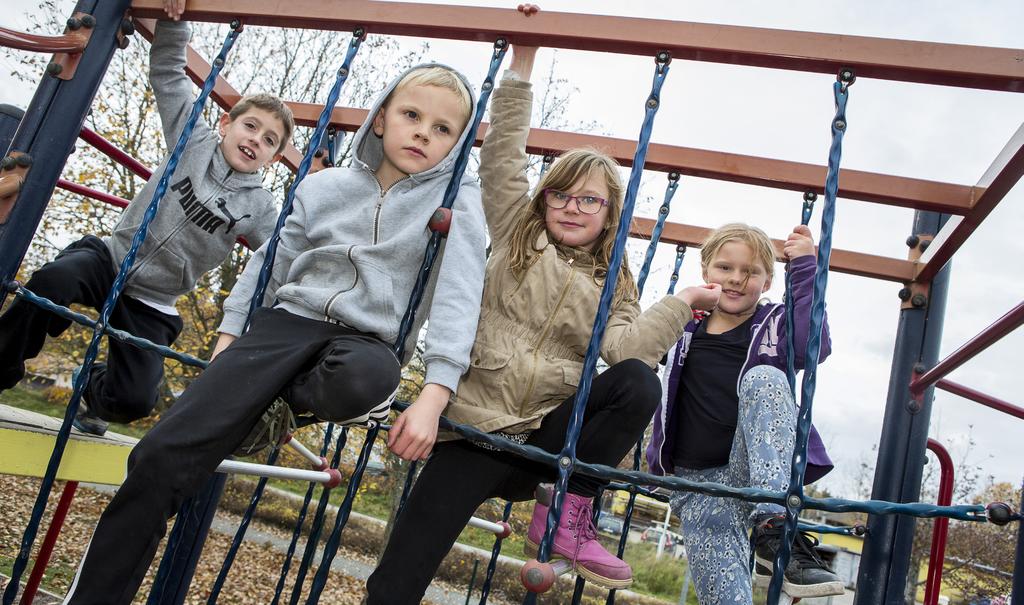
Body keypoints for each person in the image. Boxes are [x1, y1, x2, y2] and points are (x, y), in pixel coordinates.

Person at [62, 49, 488, 605]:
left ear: (456, 145)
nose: (422, 134)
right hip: (284, 326)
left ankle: (282, 405)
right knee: (159, 457)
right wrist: (229, 340)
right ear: (380, 117)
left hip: (365, 342)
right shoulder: (323, 187)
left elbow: (460, 293)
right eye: (411, 116)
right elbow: (269, 266)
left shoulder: (457, 199)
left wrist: (435, 395)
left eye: (442, 129)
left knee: (364, 378)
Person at [364, 14, 719, 602]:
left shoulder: (614, 280)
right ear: (544, 197)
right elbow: (502, 156)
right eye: (562, 194)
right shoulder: (516, 232)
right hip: (474, 430)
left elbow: (625, 351)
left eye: (590, 201)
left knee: (637, 383)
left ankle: (568, 514)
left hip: (545, 445)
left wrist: (681, 302)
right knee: (401, 572)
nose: (573, 208)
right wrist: (522, 69)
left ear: (609, 215)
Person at [0, 14, 294, 437]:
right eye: (251, 126)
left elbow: (278, 262)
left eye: (270, 140)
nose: (256, 140)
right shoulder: (192, 139)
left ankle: (94, 393)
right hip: (111, 258)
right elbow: (168, 73)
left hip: (154, 300)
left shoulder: (261, 208)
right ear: (227, 124)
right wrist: (172, 21)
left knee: (135, 399)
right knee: (51, 281)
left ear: (274, 157)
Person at [645, 223, 844, 602]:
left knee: (766, 378)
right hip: (698, 484)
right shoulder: (684, 326)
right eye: (725, 268)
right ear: (706, 272)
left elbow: (812, 348)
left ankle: (775, 525)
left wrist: (804, 268)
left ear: (767, 281)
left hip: (755, 472)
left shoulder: (776, 325)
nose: (736, 279)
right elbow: (638, 349)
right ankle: (771, 527)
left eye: (750, 271)